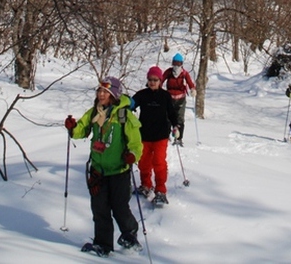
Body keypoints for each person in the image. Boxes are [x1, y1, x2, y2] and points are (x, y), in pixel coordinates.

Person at [64, 76, 143, 257]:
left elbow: (136, 142)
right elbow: (81, 130)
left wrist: (133, 155)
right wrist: (72, 128)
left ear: (113, 94)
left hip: (119, 170)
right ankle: (103, 244)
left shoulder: (124, 115)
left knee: (120, 207)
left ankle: (129, 234)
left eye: (105, 92)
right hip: (98, 170)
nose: (100, 94)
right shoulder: (94, 112)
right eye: (99, 91)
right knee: (99, 209)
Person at [132, 66, 179, 205]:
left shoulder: (165, 96)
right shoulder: (142, 94)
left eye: (155, 80)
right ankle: (146, 185)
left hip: (160, 136)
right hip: (144, 135)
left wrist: (176, 126)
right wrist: (125, 104)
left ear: (160, 81)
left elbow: (171, 113)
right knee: (144, 162)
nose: (152, 82)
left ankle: (160, 190)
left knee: (159, 163)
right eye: (150, 80)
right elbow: (131, 104)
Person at [162, 52, 196, 147]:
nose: (176, 65)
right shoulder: (169, 72)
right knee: (167, 118)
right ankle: (166, 135)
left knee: (180, 119)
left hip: (181, 99)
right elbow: (161, 80)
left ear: (181, 64)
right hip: (169, 99)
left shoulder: (184, 73)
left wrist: (193, 89)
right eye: (175, 63)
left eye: (178, 63)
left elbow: (190, 83)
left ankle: (179, 138)